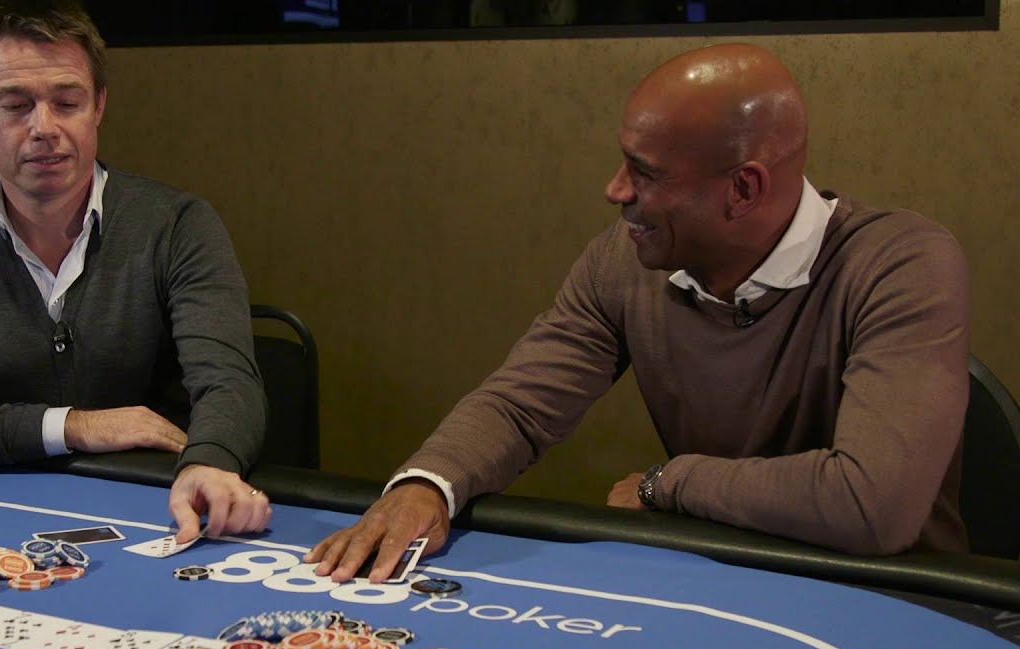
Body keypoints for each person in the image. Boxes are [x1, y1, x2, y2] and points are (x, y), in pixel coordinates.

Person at [308, 43, 971, 581]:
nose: (615, 190)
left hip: (900, 600)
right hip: (726, 581)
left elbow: (870, 503)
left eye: (644, 172)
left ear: (743, 189)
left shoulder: (902, 263)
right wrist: (428, 485)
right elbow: (519, 404)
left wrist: (668, 483)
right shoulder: (623, 260)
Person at [0, 0, 269, 542]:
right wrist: (75, 425)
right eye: (16, 105)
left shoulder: (179, 225)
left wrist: (209, 461)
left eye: (67, 102)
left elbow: (230, 384)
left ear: (98, 106)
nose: (44, 128)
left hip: (165, 508)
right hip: (9, 521)